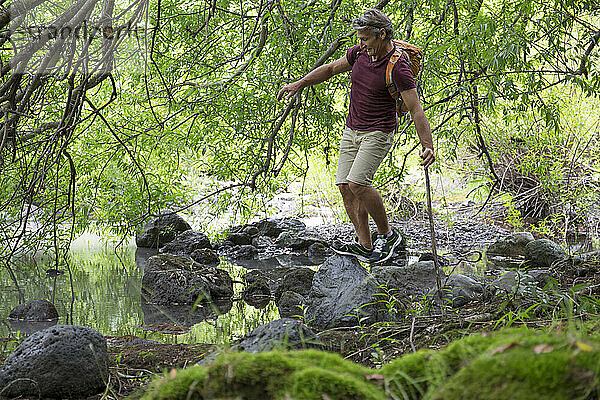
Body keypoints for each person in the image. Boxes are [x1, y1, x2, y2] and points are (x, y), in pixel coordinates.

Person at [277, 8, 435, 263]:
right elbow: (329, 69)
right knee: (344, 186)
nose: (360, 44)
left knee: (358, 183)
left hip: (378, 132)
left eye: (365, 39)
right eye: (359, 39)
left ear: (381, 34)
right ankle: (365, 244)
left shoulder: (398, 68)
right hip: (352, 129)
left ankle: (388, 234)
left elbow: (416, 109)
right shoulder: (360, 53)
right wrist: (299, 84)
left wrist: (427, 145)